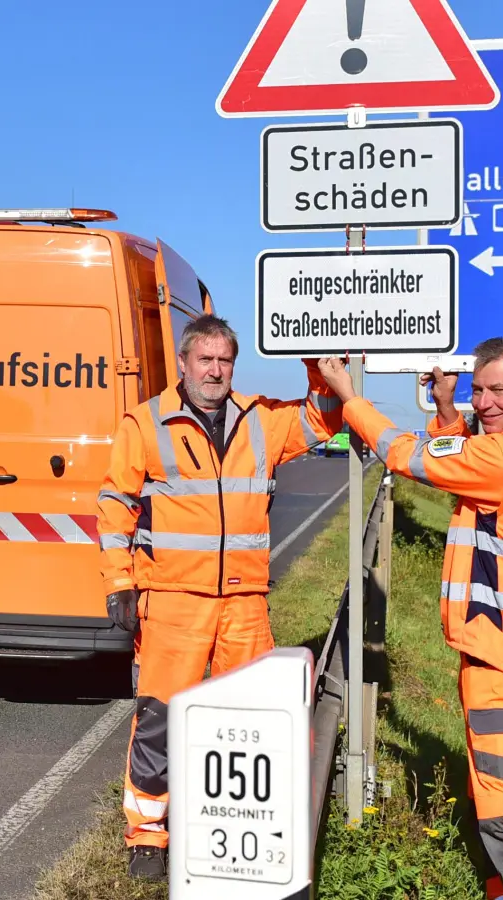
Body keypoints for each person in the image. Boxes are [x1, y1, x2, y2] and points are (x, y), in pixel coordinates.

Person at [315, 337, 503, 900]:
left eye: (498, 390)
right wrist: (446, 410)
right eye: (478, 390)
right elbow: (463, 462)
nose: (485, 402)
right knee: (495, 791)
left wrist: (349, 396)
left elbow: (407, 455)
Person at [95, 314, 343, 880]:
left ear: (234, 365)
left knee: (250, 719)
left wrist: (314, 364)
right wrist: (119, 581)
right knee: (158, 718)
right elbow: (115, 506)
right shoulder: (146, 424)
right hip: (173, 601)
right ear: (183, 363)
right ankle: (147, 836)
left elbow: (325, 420)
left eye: (223, 360)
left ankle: (238, 829)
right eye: (204, 359)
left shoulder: (260, 420)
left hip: (244, 602)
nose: (214, 370)